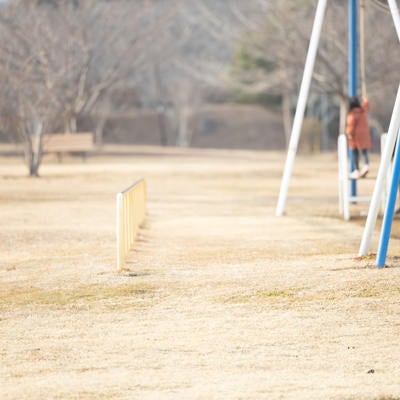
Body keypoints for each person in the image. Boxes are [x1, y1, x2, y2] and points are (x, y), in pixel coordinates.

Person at [345, 95, 372, 179]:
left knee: (354, 152)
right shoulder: (362, 111)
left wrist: (348, 133)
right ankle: (366, 165)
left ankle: (356, 170)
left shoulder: (352, 114)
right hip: (364, 135)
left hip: (355, 137)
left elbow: (350, 126)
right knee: (364, 151)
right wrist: (365, 101)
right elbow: (366, 108)